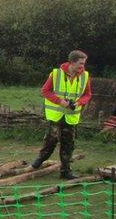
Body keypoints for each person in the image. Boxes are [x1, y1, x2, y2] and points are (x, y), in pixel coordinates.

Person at [31, 50, 92, 180]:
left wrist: (79, 102)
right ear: (72, 62)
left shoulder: (85, 76)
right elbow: (45, 91)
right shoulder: (56, 74)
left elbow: (88, 95)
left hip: (71, 115)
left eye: (84, 64)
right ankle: (41, 159)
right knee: (51, 140)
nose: (82, 67)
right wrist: (60, 102)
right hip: (56, 114)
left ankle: (65, 171)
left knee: (68, 143)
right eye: (80, 64)